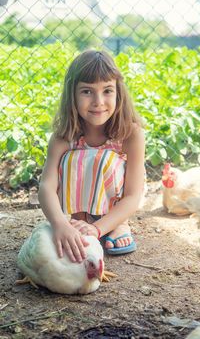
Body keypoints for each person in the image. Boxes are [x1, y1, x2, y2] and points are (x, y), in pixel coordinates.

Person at [38, 50, 145, 263]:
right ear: (72, 95)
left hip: (116, 207)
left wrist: (97, 230)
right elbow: (46, 187)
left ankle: (116, 224)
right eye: (87, 91)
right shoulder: (63, 138)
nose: (98, 101)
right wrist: (60, 224)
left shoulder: (130, 134)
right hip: (73, 217)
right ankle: (78, 220)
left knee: (103, 159)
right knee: (73, 158)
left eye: (107, 91)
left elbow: (133, 195)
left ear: (118, 93)